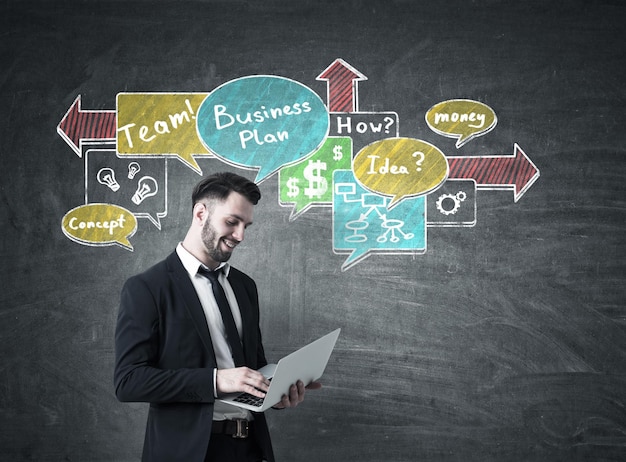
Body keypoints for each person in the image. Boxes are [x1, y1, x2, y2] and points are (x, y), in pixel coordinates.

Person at [114, 171, 320, 462]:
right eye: (231, 222)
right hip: (188, 452)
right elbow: (129, 381)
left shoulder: (244, 286)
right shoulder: (148, 288)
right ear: (201, 213)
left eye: (246, 225)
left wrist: (277, 393)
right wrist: (216, 381)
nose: (240, 236)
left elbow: (253, 367)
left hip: (250, 448)